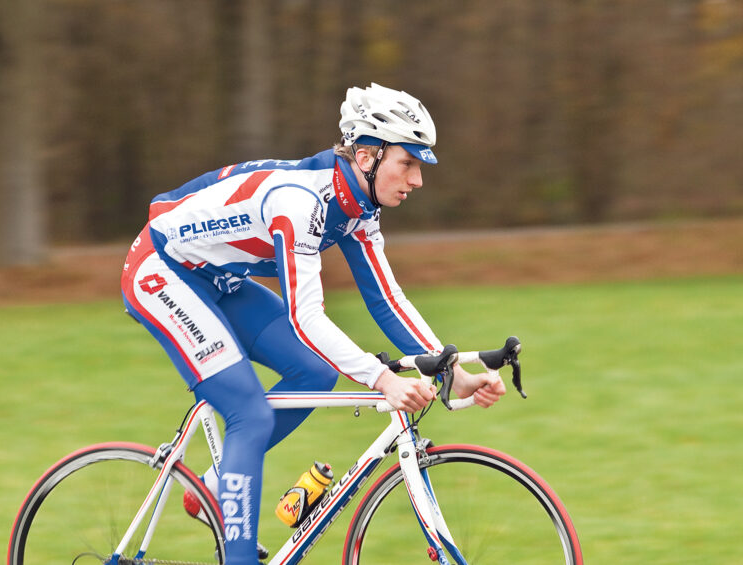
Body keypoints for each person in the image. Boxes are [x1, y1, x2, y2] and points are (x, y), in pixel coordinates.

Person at [120, 83, 506, 564]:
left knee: (316, 374)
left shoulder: (358, 207)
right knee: (249, 413)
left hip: (216, 278)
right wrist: (382, 378)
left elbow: (386, 300)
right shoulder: (300, 201)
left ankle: (215, 489)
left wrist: (451, 372)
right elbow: (306, 318)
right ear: (367, 155)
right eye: (408, 163)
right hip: (163, 272)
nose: (418, 179)